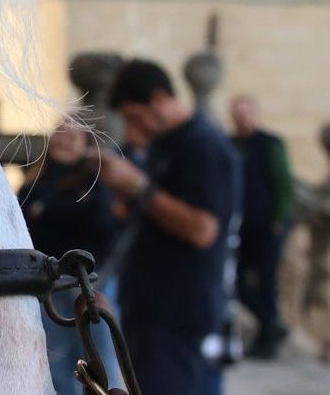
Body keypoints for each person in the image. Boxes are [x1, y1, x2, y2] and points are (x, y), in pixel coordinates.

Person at [95, 59, 241, 395]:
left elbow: (203, 229)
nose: (136, 130)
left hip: (177, 313)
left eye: (136, 118)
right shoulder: (167, 143)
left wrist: (138, 187)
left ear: (159, 99)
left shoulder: (203, 146)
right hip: (149, 307)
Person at [19, 119, 123, 394]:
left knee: (102, 359)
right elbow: (25, 219)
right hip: (49, 283)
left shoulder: (94, 181)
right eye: (60, 133)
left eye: (72, 136)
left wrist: (47, 211)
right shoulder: (35, 180)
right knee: (56, 360)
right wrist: (61, 212)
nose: (63, 139)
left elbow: (100, 221)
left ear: (86, 145)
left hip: (90, 282)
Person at [229, 94, 296, 358]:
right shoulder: (231, 143)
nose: (242, 118)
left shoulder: (270, 143)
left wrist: (279, 220)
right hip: (243, 226)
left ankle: (268, 333)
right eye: (238, 113)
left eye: (246, 113)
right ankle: (270, 324)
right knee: (236, 280)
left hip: (268, 226)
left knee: (266, 280)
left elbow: (284, 185)